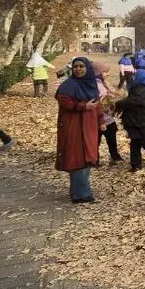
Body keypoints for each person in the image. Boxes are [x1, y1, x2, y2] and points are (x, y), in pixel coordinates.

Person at [55, 57, 103, 203]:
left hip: (89, 126)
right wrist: (82, 106)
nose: (78, 69)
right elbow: (64, 102)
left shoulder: (91, 84)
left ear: (87, 68)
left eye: (82, 66)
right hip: (73, 126)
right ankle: (81, 194)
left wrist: (100, 121)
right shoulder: (69, 85)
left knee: (86, 157)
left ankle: (79, 191)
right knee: (77, 158)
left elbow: (97, 105)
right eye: (75, 67)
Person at [94, 64, 124, 163]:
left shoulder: (104, 82)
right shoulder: (94, 84)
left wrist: (113, 95)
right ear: (98, 72)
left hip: (109, 117)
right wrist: (106, 97)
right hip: (97, 118)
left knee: (112, 139)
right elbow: (95, 100)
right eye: (105, 72)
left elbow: (112, 93)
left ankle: (115, 157)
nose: (108, 74)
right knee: (95, 141)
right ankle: (94, 160)